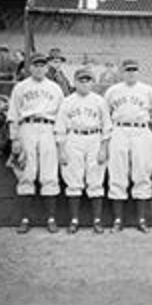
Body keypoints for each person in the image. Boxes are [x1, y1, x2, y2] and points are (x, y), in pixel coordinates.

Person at [7, 53, 64, 234]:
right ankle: (25, 219)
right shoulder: (20, 87)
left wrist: (60, 138)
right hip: (27, 127)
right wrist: (14, 138)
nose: (39, 68)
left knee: (49, 173)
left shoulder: (55, 88)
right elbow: (13, 114)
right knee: (26, 173)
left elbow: (62, 116)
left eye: (42, 65)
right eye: (36, 65)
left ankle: (51, 219)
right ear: (29, 67)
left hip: (49, 128)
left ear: (47, 68)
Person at [104, 59, 152, 233]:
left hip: (141, 130)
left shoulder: (147, 90)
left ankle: (142, 219)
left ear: (138, 71)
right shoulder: (113, 91)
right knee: (117, 173)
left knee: (142, 173)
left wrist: (148, 134)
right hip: (119, 130)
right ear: (122, 72)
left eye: (134, 70)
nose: (131, 73)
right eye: (128, 70)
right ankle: (118, 220)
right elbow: (106, 115)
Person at [55, 67, 112, 234]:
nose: (85, 83)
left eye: (88, 80)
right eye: (81, 80)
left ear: (92, 82)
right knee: (73, 179)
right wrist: (61, 150)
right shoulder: (68, 101)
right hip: (74, 138)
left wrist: (104, 148)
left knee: (96, 179)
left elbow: (107, 127)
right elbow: (60, 128)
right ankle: (74, 220)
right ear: (75, 82)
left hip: (94, 138)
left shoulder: (99, 101)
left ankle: (97, 220)